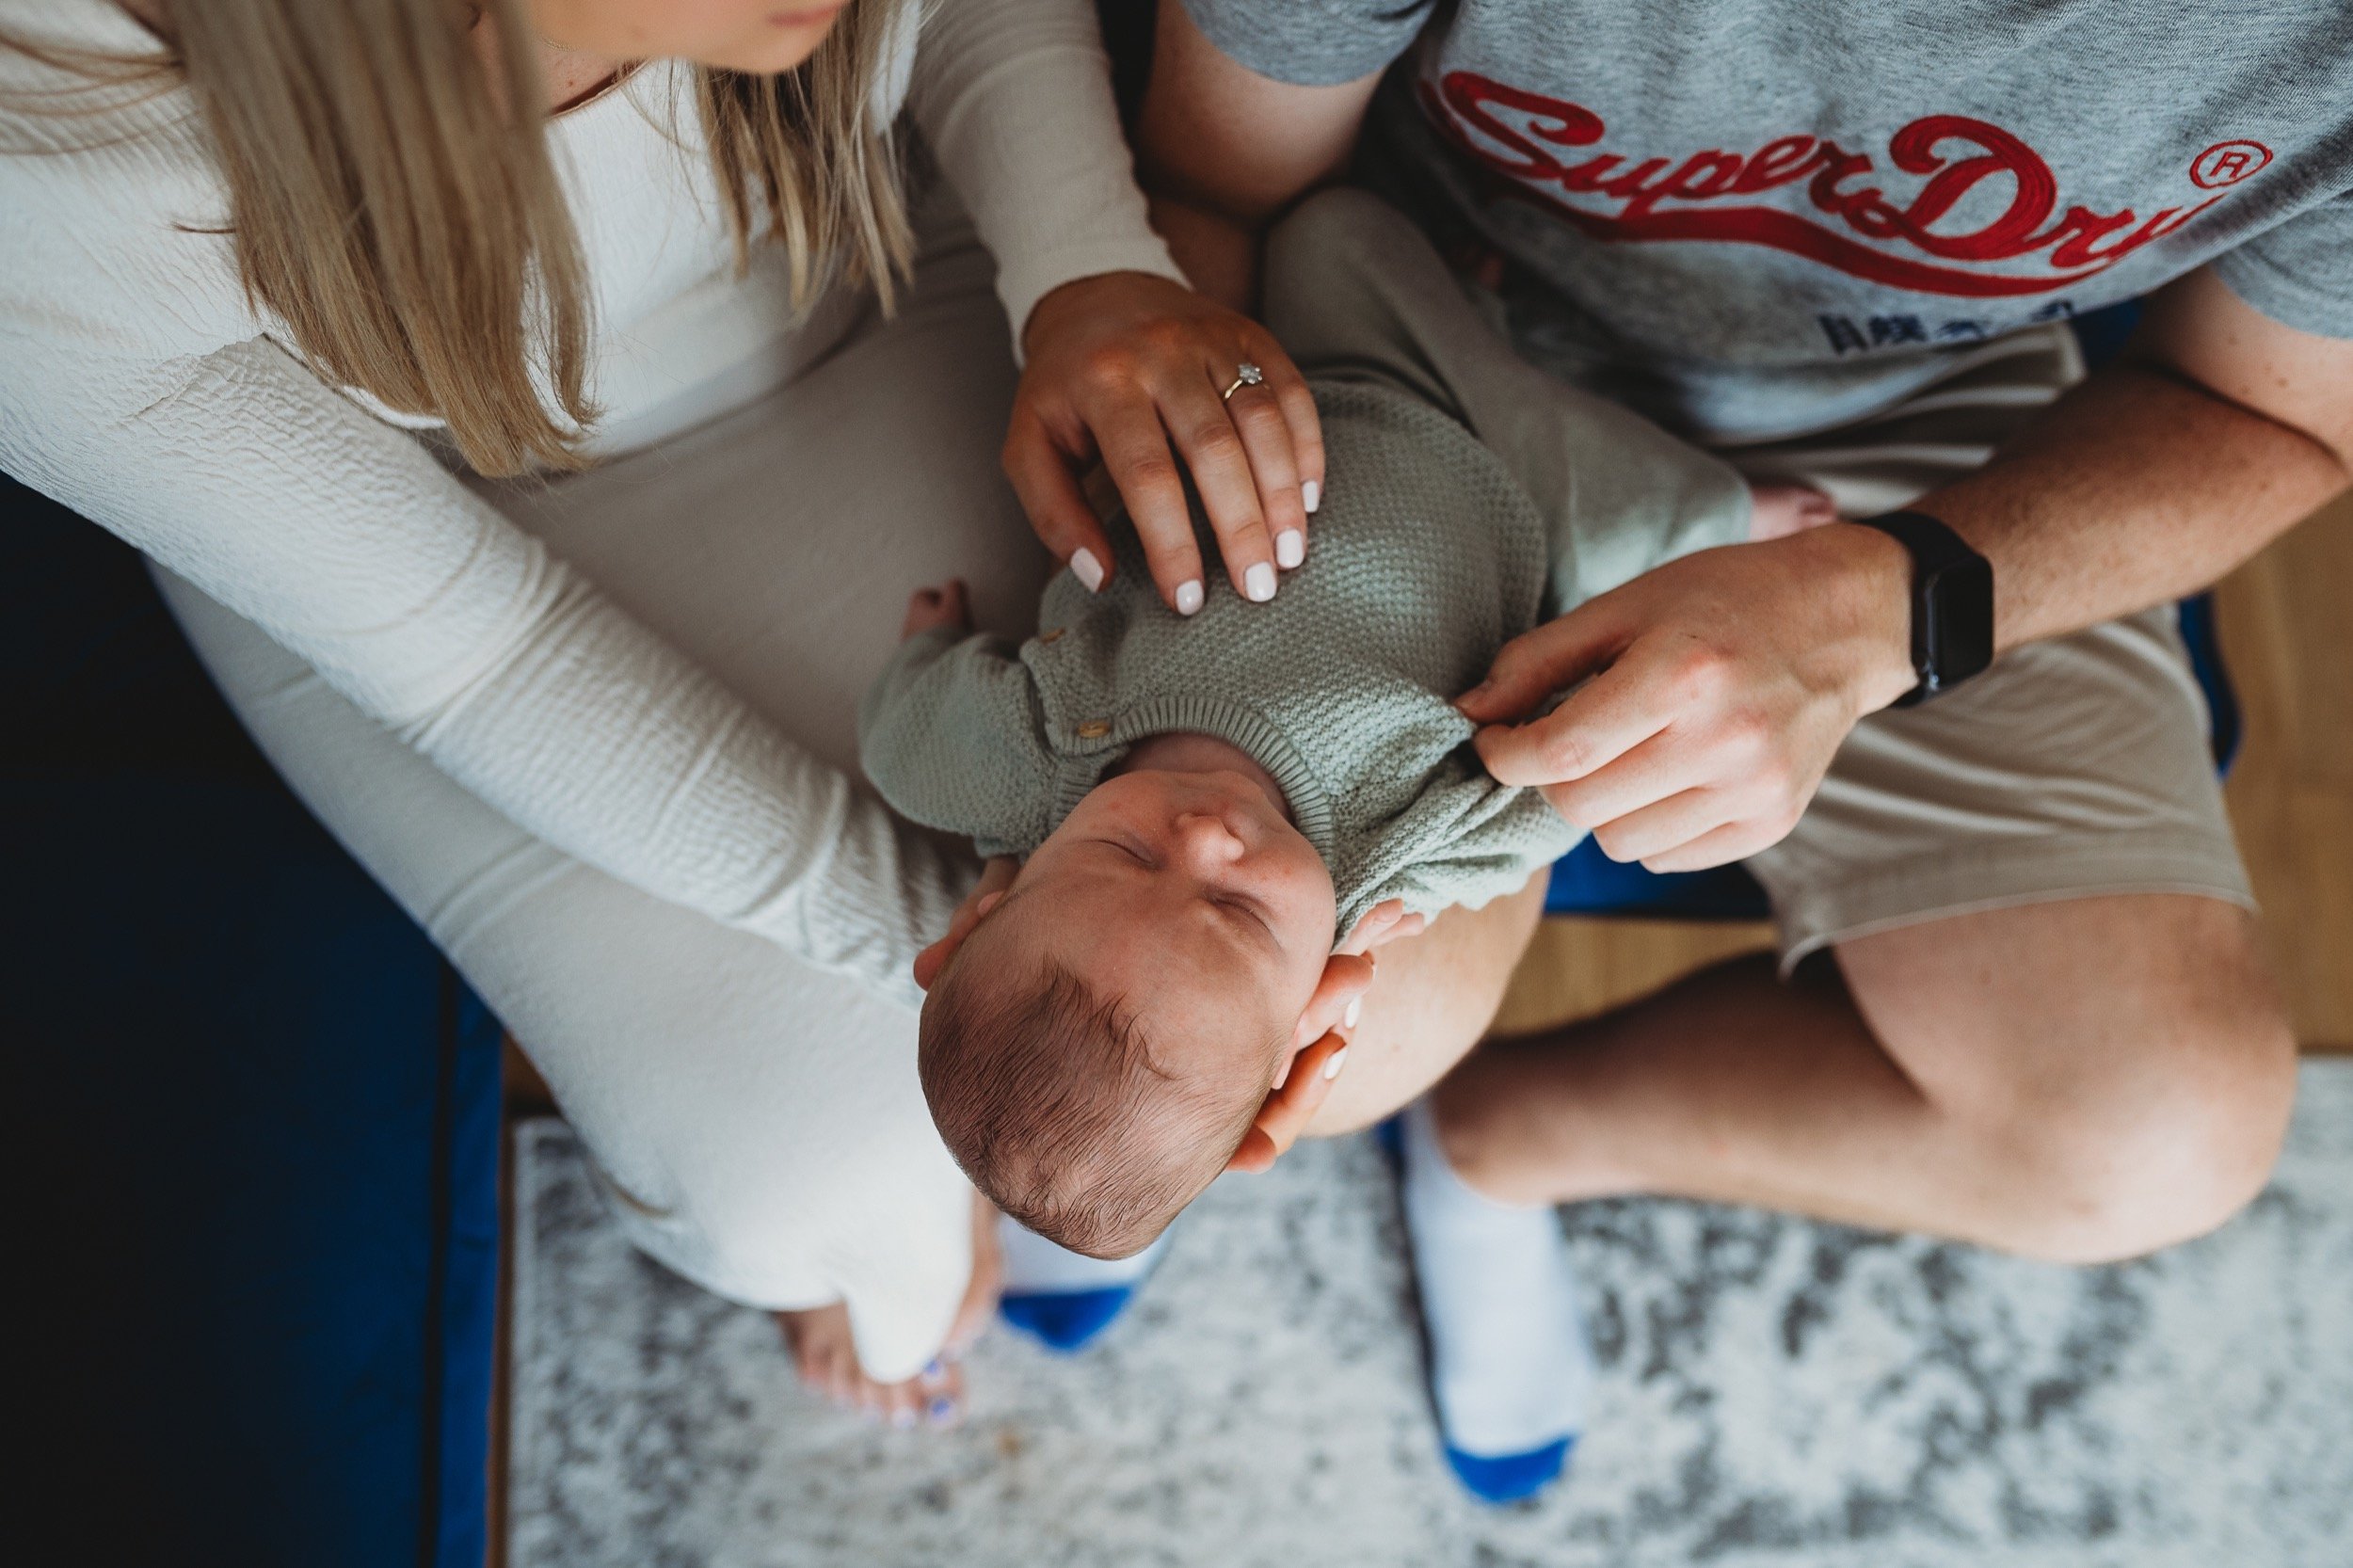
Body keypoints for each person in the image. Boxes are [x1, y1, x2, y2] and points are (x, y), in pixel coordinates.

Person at [0, 0, 1365, 1426]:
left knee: (1196, 997)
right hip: (420, 528)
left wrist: (1087, 267)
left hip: (875, 267)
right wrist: (963, 956)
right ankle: (906, 1284)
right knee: (791, 1175)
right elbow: (488, 660)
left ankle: (991, 1218)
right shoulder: (44, 176)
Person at [1102, 0, 2352, 1501]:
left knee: (2159, 1133)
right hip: (1429, 368)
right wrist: (1208, 603)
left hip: (1921, 458)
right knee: (1335, 1032)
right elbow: (1226, 195)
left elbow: (2273, 414)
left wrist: (1875, 608)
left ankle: (1502, 1139)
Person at [865, 189, 1838, 1262]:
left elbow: (903, 742)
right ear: (1301, 1027)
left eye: (1124, 848)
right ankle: (1712, 501)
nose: (1204, 840)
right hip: (1518, 509)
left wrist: (926, 648)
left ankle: (1468, 303)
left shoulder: (1029, 756)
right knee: (1658, 531)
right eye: (1237, 912)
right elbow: (1554, 790)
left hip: (1304, 382)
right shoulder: (1394, 865)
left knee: (1335, 230)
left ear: (993, 899)